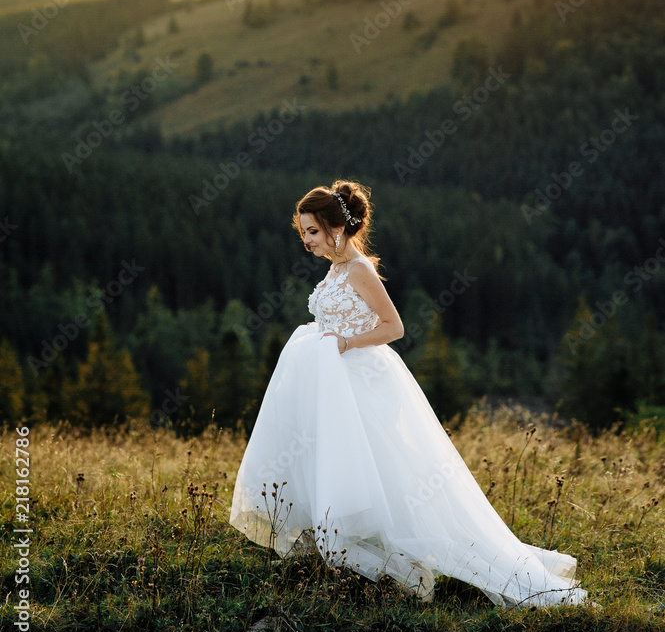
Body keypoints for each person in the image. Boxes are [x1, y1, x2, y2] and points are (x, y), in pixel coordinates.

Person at [229, 179, 596, 609]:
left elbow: (393, 327)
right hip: (334, 384)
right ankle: (341, 542)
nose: (305, 241)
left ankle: (420, 554)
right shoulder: (334, 269)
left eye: (311, 231)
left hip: (360, 379)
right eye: (303, 233)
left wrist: (343, 344)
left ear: (335, 227)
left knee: (392, 468)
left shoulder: (360, 269)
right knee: (341, 460)